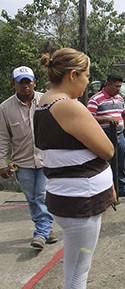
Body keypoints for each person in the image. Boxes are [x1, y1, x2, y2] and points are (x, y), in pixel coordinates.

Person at [34, 48, 116, 288]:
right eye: (86, 75)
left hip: (67, 198)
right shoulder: (68, 106)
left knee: (75, 267)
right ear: (72, 75)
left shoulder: (43, 103)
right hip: (81, 202)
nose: (88, 81)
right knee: (78, 272)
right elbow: (108, 150)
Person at [0, 66, 57, 250]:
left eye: (28, 82)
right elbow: (3, 138)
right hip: (22, 162)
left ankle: (41, 232)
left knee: (41, 195)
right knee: (31, 198)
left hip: (45, 159)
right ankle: (46, 228)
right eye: (21, 82)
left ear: (34, 82)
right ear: (13, 84)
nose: (25, 86)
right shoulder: (5, 108)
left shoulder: (46, 101)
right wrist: (1, 163)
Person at [87, 75, 125, 197]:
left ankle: (122, 188)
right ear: (108, 84)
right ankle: (105, 190)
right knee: (104, 163)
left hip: (119, 135)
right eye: (116, 86)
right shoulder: (96, 99)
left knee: (121, 162)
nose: (119, 89)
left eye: (120, 86)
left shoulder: (119, 99)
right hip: (104, 135)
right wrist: (106, 119)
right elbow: (88, 117)